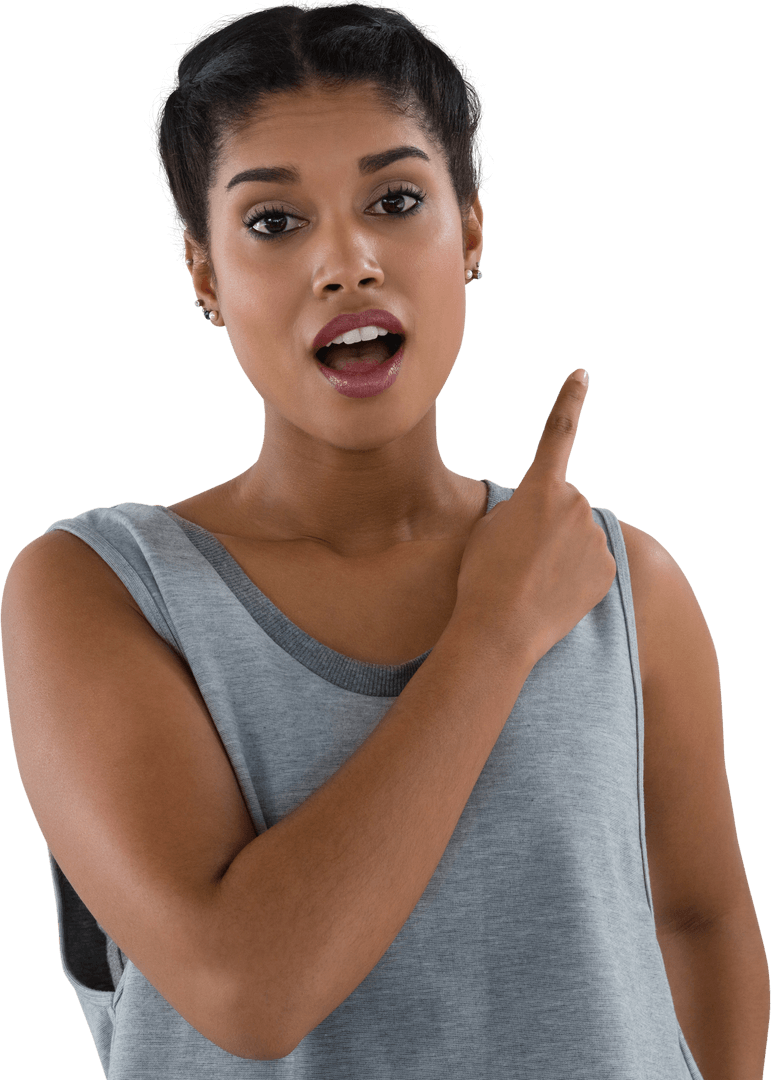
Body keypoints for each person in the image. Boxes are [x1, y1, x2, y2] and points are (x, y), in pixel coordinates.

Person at [2, 2, 768, 1077]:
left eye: (396, 201)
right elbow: (248, 987)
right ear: (205, 276)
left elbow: (700, 920)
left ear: (471, 233)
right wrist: (495, 632)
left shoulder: (624, 582)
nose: (346, 261)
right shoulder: (101, 590)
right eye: (274, 221)